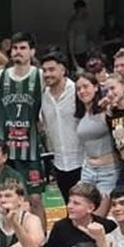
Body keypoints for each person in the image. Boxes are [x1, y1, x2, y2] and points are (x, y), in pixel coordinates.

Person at [0, 33, 48, 225]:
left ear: (32, 51)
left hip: (30, 149)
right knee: (5, 200)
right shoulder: (1, 75)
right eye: (15, 48)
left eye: (22, 48)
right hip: (5, 151)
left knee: (35, 200)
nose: (18, 52)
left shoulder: (40, 76)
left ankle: (41, 243)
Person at [40, 51, 82, 200]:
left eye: (51, 70)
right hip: (59, 163)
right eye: (44, 70)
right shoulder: (43, 96)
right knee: (70, 207)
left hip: (83, 162)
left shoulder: (78, 91)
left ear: (63, 70)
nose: (47, 74)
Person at [73, 73, 119, 211]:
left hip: (108, 170)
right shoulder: (81, 116)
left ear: (96, 87)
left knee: (99, 216)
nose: (82, 91)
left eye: (86, 86)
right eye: (78, 88)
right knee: (81, 212)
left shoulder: (108, 110)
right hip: (88, 170)